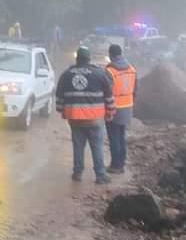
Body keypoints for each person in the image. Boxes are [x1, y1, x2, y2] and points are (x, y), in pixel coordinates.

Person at [56, 46, 116, 184]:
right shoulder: (99, 74)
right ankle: (100, 175)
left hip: (75, 119)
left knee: (78, 146)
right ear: (89, 59)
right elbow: (109, 96)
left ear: (77, 59)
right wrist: (110, 112)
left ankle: (77, 173)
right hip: (94, 119)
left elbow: (59, 97)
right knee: (97, 147)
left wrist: (62, 111)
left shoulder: (66, 74)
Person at [104, 44, 137, 173]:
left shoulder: (110, 71)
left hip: (114, 108)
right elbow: (135, 89)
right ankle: (121, 163)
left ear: (111, 55)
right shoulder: (132, 69)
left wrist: (106, 108)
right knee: (121, 136)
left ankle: (115, 166)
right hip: (128, 107)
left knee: (114, 137)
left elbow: (106, 91)